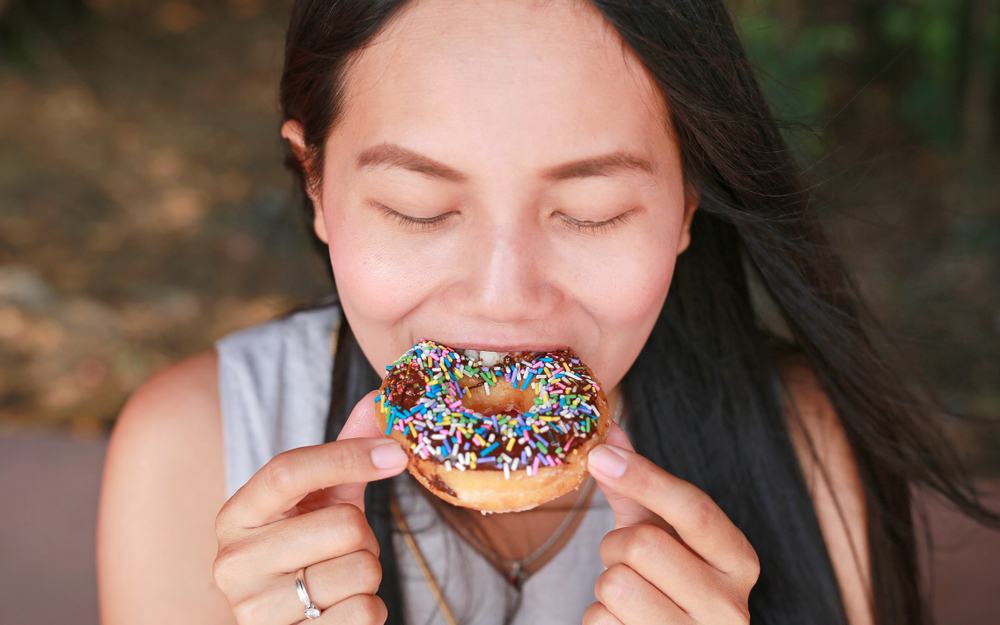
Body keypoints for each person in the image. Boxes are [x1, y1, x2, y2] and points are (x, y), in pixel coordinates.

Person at [96, 1, 1000, 624]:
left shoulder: (800, 448)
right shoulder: (196, 451)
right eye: (420, 207)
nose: (503, 297)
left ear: (688, 202)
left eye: (591, 211)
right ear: (317, 185)